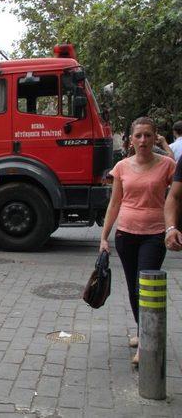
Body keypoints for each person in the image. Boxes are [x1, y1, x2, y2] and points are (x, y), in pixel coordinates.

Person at [99, 117, 175, 366]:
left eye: (148, 135)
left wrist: (173, 228)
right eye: (138, 136)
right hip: (125, 234)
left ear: (156, 138)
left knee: (146, 286)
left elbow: (176, 198)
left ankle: (146, 342)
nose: (143, 140)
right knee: (133, 287)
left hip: (154, 234)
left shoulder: (167, 165)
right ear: (131, 139)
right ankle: (143, 332)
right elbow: (115, 202)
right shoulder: (121, 167)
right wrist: (104, 237)